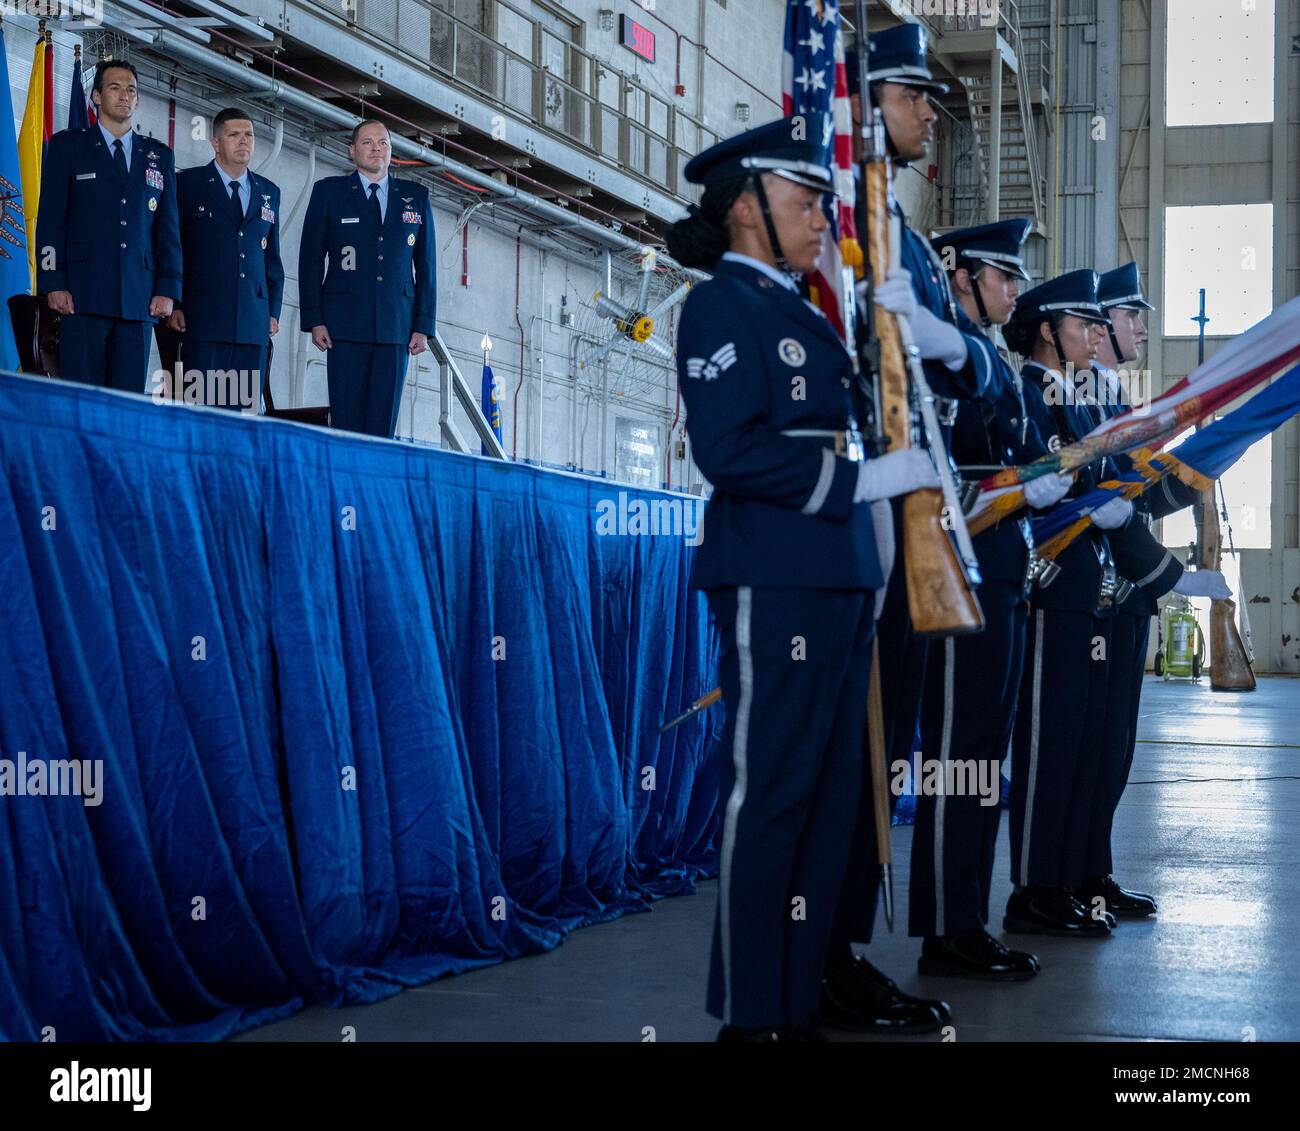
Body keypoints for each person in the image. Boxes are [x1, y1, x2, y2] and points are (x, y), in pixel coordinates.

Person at [665, 114, 940, 1041]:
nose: (824, 216)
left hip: (839, 572)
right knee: (771, 793)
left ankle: (796, 997)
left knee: (828, 805)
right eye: (804, 198)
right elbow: (728, 450)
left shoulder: (803, 308)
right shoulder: (721, 307)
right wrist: (861, 482)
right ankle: (752, 1014)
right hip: (774, 573)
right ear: (747, 208)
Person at [819, 21, 997, 1033]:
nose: (929, 112)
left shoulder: (910, 245)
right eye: (912, 95)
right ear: (865, 101)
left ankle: (842, 942)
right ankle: (826, 953)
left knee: (887, 742)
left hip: (912, 513)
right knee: (852, 742)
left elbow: (946, 379)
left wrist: (959, 355)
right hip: (856, 511)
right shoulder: (839, 216)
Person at [908, 221, 1070, 980]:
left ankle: (966, 914)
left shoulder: (993, 360)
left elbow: (1023, 445)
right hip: (956, 569)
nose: (1015, 289)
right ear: (961, 277)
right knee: (955, 756)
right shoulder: (938, 359)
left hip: (1002, 569)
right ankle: (946, 923)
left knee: (983, 754)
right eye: (1002, 276)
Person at [1079, 262, 1229, 917]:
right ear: (1096, 323)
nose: (1141, 325)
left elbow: (1140, 499)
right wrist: (1171, 573)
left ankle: (1092, 869)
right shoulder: (1081, 397)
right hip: (1094, 592)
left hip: (1127, 593)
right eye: (1130, 313)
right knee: (1080, 750)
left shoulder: (1117, 399)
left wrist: (1201, 464)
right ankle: (1061, 879)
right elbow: (1099, 502)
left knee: (1112, 751)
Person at [36, 59, 181, 392]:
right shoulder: (68, 147)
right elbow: (51, 219)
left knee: (127, 401)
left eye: (131, 89)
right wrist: (53, 281)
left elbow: (167, 231)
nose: (124, 96)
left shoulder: (159, 156)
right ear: (96, 97)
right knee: (82, 396)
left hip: (139, 299)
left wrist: (168, 289)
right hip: (83, 294)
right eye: (115, 88)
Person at [298, 120, 435, 437]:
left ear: (391, 151)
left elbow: (426, 266)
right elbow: (311, 259)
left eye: (383, 143)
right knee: (346, 420)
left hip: (396, 328)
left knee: (383, 425)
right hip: (343, 326)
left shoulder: (415, 197)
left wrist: (423, 326)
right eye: (368, 142)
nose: (377, 148)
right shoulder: (329, 193)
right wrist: (314, 318)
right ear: (352, 150)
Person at [168, 108, 284, 411]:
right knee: (201, 412)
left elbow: (271, 258)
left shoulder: (268, 192)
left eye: (248, 135)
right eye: (234, 135)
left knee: (242, 417)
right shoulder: (188, 185)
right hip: (203, 320)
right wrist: (175, 303)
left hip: (252, 323)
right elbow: (172, 246)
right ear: (216, 143)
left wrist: (273, 309)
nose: (243, 141)